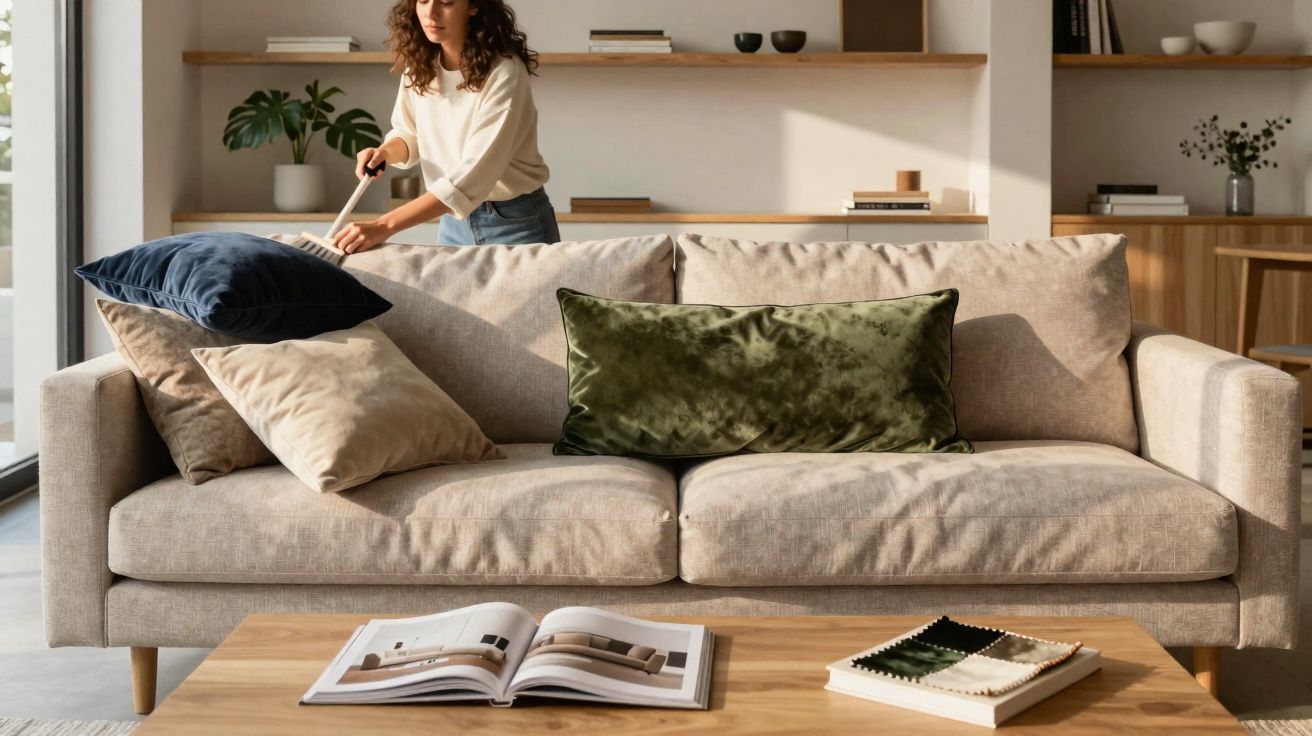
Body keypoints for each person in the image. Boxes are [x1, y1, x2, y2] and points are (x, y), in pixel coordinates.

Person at [335, 0, 558, 253]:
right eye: (423, 1)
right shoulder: (419, 66)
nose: (431, 13)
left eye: (446, 2)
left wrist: (384, 225)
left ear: (473, 6)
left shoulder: (505, 72)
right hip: (453, 223)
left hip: (514, 223)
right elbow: (410, 134)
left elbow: (472, 176)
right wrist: (384, 152)